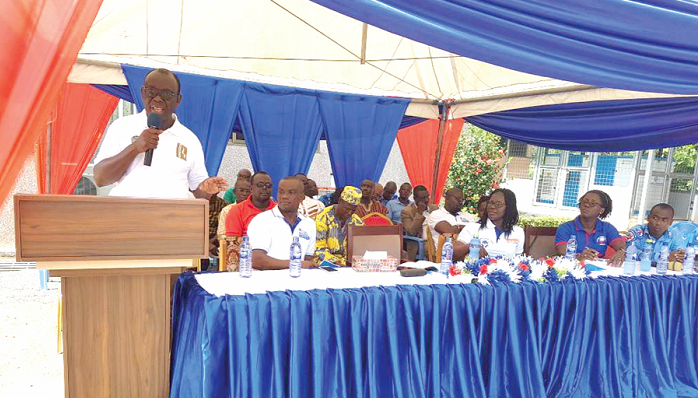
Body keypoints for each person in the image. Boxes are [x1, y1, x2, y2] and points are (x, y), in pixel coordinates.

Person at [94, 68, 227, 199]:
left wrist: (206, 189)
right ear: (142, 92)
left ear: (178, 100)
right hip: (126, 215)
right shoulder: (122, 126)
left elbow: (199, 192)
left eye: (166, 94)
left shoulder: (190, 139)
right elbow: (101, 178)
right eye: (151, 91)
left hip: (171, 217)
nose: (157, 99)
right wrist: (134, 148)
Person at [247, 177, 316, 270]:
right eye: (281, 192)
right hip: (265, 281)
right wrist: (295, 264)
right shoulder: (262, 220)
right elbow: (256, 260)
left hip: (298, 281)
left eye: (291, 192)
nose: (285, 196)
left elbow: (307, 260)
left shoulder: (309, 224)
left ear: (302, 197)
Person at [555, 189, 626, 266]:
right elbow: (561, 251)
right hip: (571, 269)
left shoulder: (607, 228)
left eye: (592, 203)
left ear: (601, 210)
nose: (587, 205)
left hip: (598, 270)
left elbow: (622, 247)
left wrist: (621, 252)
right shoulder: (566, 228)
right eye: (585, 202)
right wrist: (579, 257)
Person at [457, 188, 524, 258]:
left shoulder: (518, 232)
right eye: (490, 203)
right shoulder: (472, 227)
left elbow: (518, 260)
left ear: (509, 207)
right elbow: (453, 250)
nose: (492, 207)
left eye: (498, 204)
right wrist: (471, 246)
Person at [314, 186, 364, 266]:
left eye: (353, 210)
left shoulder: (357, 222)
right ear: (339, 201)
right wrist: (337, 262)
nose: (349, 213)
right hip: (325, 263)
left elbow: (360, 249)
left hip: (349, 265)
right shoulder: (323, 217)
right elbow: (319, 249)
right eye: (347, 209)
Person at [401, 185, 438, 260]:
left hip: (437, 239)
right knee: (434, 249)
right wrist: (419, 213)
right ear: (415, 199)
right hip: (422, 243)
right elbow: (411, 231)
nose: (427, 200)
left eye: (427, 197)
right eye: (423, 198)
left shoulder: (434, 208)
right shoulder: (407, 211)